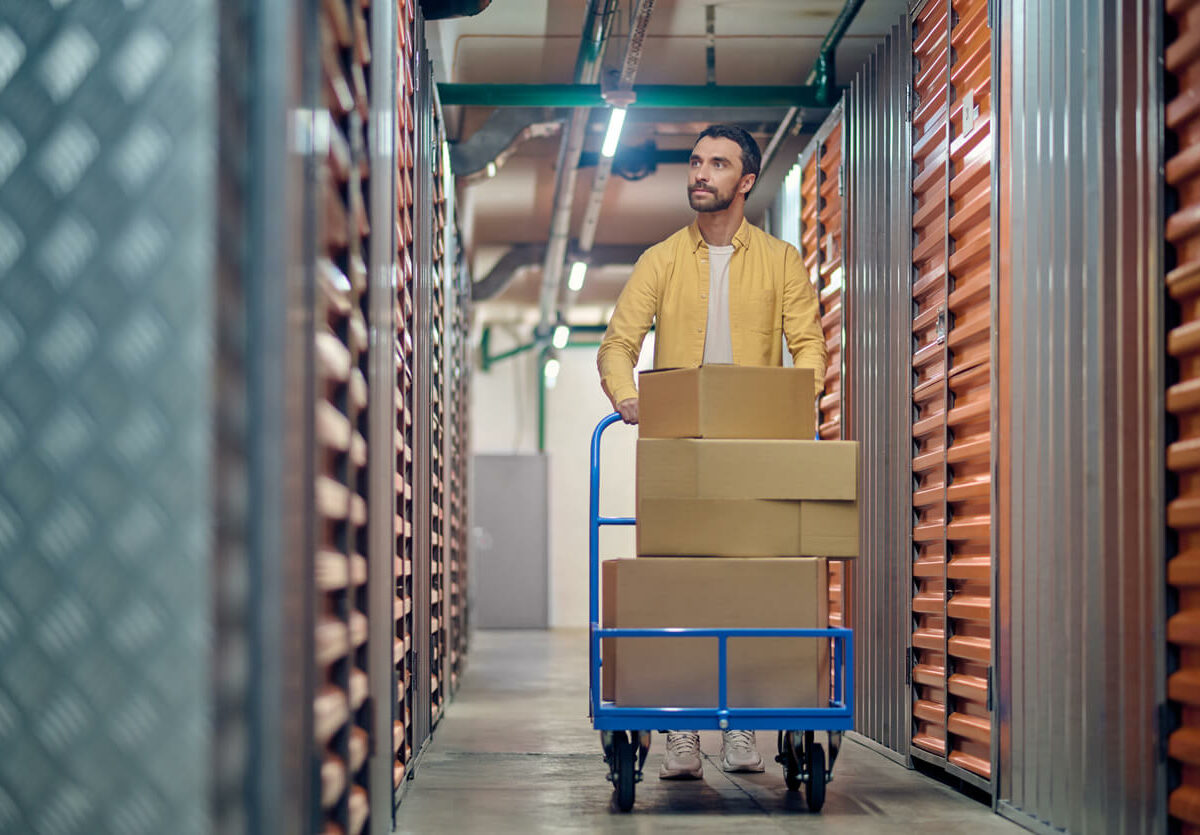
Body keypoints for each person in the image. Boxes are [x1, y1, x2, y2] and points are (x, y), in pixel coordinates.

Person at [596, 124, 828, 780]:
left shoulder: (781, 261)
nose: (701, 172)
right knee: (677, 587)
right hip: (677, 453)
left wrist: (796, 398)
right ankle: (680, 731)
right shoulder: (662, 259)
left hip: (752, 452)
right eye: (696, 162)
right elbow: (618, 342)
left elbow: (809, 343)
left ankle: (744, 725)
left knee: (750, 585)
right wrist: (626, 397)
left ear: (746, 181)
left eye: (717, 164)